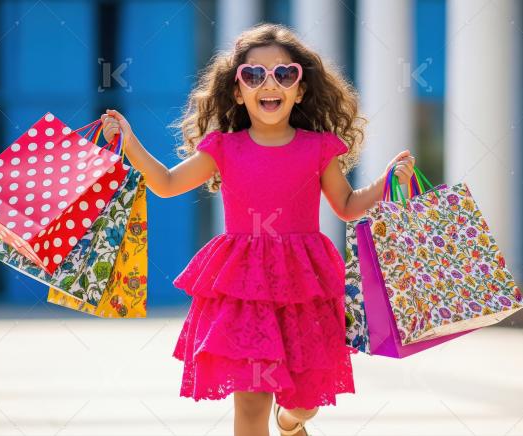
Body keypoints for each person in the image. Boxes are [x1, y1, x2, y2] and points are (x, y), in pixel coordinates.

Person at [100, 23, 416, 436]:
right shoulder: (222, 148)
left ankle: (289, 423)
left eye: (284, 74)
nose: (270, 84)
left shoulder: (318, 147)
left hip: (304, 287)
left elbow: (346, 206)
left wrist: (389, 181)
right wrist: (130, 144)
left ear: (300, 89)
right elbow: (166, 184)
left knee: (304, 403)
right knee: (249, 408)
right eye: (254, 75)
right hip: (242, 291)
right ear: (237, 90)